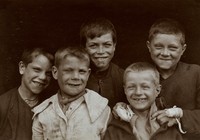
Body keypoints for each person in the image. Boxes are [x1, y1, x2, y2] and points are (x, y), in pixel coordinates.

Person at [32, 46, 111, 140]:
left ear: (88, 74)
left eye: (82, 71)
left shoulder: (101, 109)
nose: (76, 77)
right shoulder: (42, 113)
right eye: (68, 71)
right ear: (55, 72)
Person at [146, 18, 200, 139]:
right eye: (158, 47)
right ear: (149, 46)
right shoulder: (140, 74)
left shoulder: (196, 74)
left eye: (172, 48)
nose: (165, 53)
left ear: (183, 49)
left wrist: (179, 117)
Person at [104, 62, 183, 140]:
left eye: (145, 87)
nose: (138, 92)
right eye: (131, 87)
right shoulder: (115, 129)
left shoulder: (169, 123)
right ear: (125, 90)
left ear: (158, 90)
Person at [0, 47, 54, 140]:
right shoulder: (3, 105)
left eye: (48, 73)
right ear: (22, 67)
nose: (43, 77)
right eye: (37, 70)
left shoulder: (52, 104)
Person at [80, 17, 127, 108]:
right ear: (83, 47)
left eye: (107, 45)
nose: (101, 51)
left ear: (114, 46)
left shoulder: (123, 76)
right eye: (93, 45)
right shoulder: (77, 75)